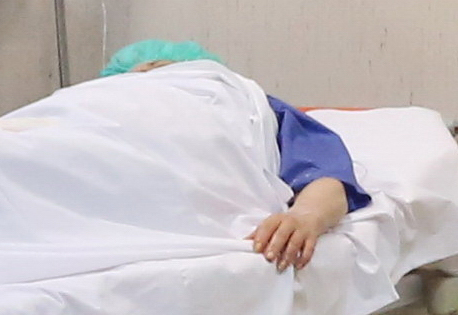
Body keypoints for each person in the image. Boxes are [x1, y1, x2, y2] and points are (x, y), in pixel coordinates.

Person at [99, 40, 366, 270]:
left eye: (164, 68)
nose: (151, 72)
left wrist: (305, 215)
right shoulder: (93, 108)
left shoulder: (246, 107)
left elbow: (325, 171)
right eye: (143, 73)